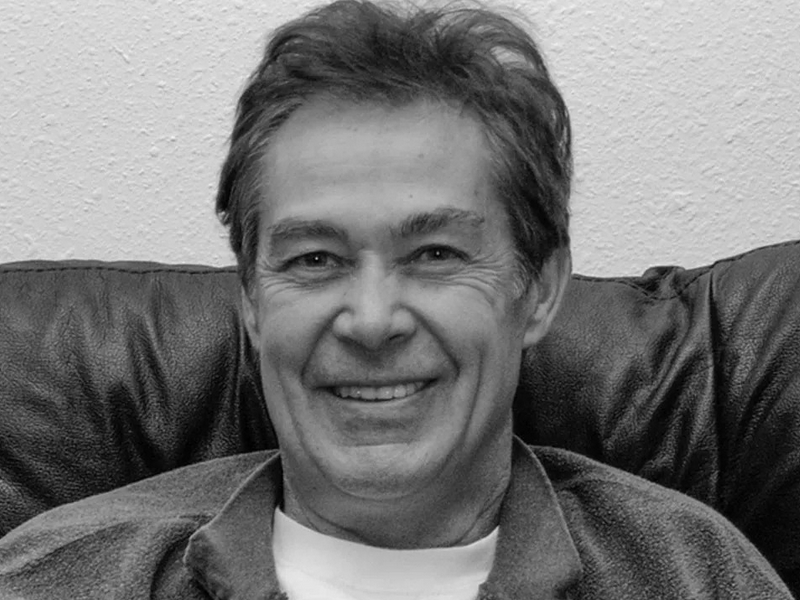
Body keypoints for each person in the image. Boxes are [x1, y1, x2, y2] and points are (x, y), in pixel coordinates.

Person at [0, 1, 793, 598]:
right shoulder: (56, 576)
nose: (373, 320)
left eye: (435, 255)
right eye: (315, 259)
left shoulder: (695, 573)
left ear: (541, 290)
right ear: (250, 301)